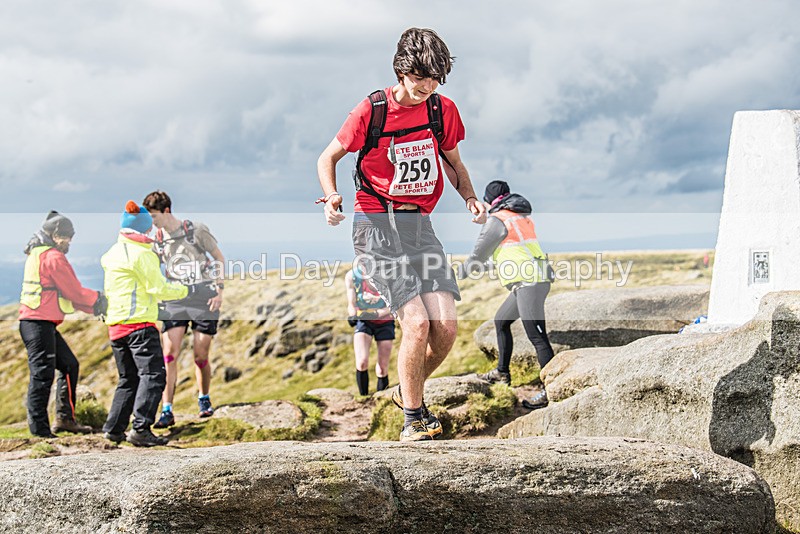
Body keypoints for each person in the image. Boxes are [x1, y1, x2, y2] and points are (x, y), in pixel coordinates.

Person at [317, 28, 486, 441]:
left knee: (445, 328)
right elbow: (328, 157)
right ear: (401, 70)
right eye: (420, 78)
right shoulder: (370, 111)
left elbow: (454, 163)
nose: (427, 87)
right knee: (416, 323)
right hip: (376, 225)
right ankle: (412, 418)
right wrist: (333, 196)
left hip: (419, 227)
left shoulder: (440, 109)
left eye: (435, 80)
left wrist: (470, 198)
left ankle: (405, 391)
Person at [101, 201, 213, 447]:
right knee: (153, 375)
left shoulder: (112, 254)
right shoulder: (142, 255)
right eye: (148, 228)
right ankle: (141, 428)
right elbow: (159, 288)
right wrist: (189, 289)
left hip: (116, 325)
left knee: (127, 378)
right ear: (142, 228)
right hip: (139, 324)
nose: (151, 232)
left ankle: (114, 428)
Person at [459, 180, 555, 410]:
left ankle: (550, 390)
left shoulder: (498, 220)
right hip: (531, 279)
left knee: (537, 337)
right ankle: (502, 373)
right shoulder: (518, 216)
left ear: (489, 200)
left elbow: (479, 253)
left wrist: (460, 272)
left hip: (529, 281)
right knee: (501, 321)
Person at [18, 211, 106, 438]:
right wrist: (98, 300)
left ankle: (65, 419)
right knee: (41, 375)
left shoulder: (36, 253)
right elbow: (74, 291)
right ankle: (40, 431)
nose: (70, 242)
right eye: (68, 236)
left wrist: (93, 307)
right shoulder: (53, 257)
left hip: (37, 323)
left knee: (69, 365)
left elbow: (66, 295)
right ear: (57, 235)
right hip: (38, 324)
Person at [142, 191, 225, 428]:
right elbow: (150, 266)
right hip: (174, 298)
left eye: (154, 216)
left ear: (166, 211)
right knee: (169, 354)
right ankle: (166, 409)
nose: (152, 222)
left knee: (201, 354)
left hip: (203, 296)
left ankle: (204, 398)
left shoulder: (196, 230)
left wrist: (220, 290)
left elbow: (219, 257)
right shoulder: (156, 238)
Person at [345, 264, 395, 396]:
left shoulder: (388, 276)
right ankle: (363, 399)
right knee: (362, 362)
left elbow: (394, 304)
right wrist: (352, 315)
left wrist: (376, 314)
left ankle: (380, 399)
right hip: (364, 322)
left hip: (385, 322)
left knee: (382, 368)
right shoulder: (352, 276)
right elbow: (351, 304)